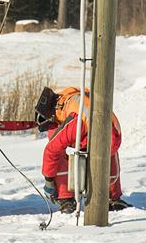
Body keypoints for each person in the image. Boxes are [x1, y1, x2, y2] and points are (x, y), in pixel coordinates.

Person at [34, 86, 129, 214]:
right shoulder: (75, 97)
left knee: (56, 147)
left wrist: (49, 180)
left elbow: (51, 150)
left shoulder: (74, 119)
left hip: (97, 135)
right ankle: (112, 197)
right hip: (114, 136)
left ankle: (65, 197)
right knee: (109, 154)